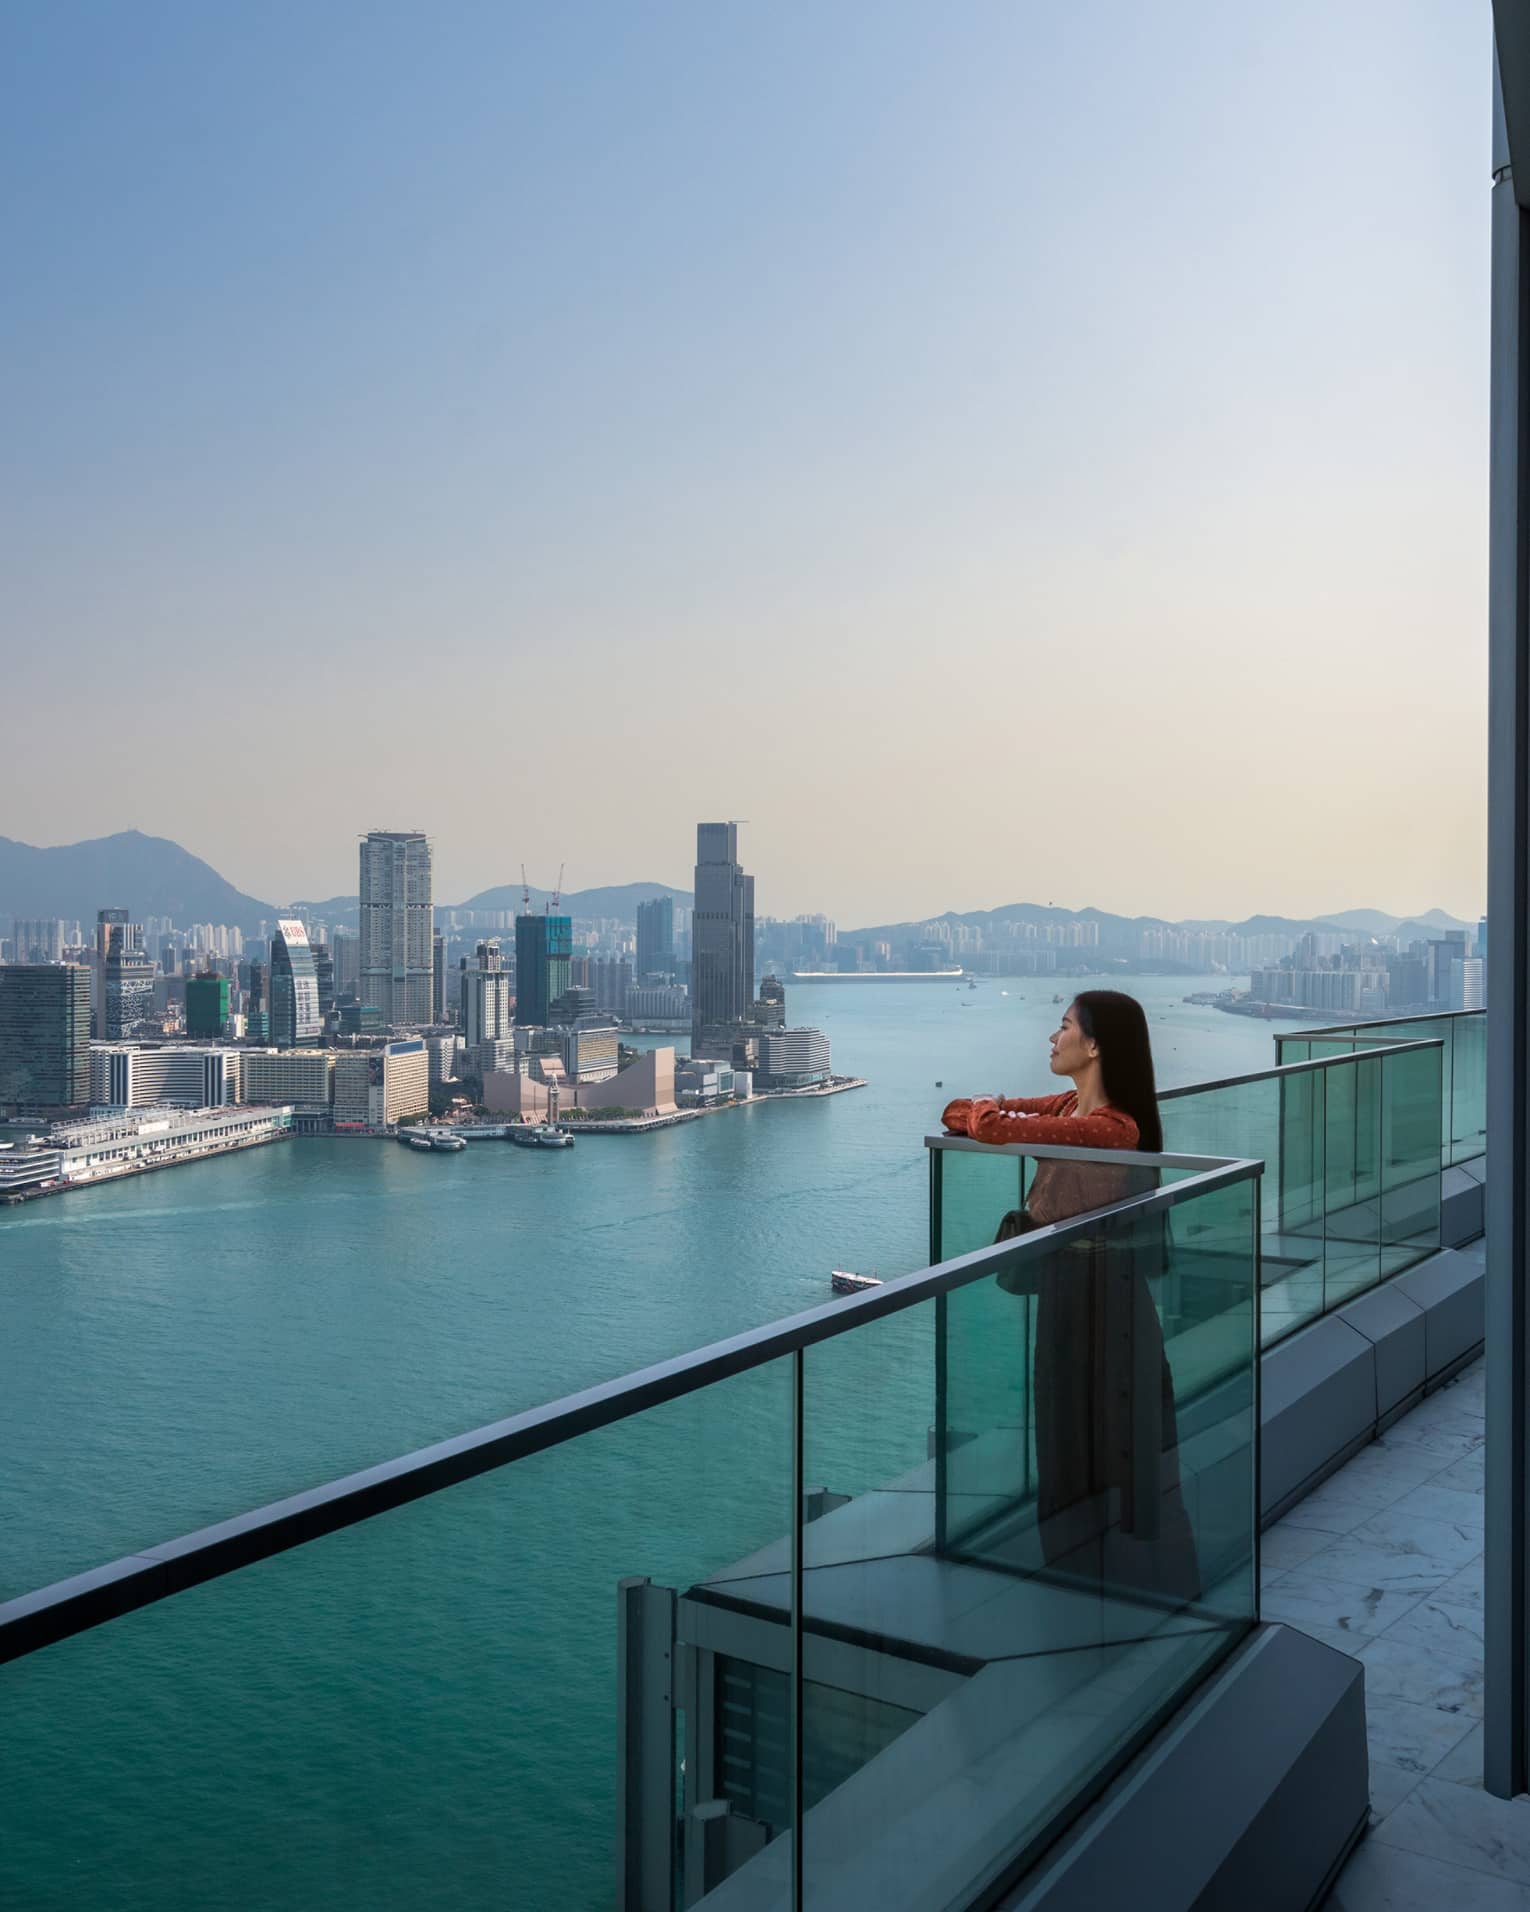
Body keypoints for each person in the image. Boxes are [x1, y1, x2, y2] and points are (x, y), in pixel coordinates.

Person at [941, 991, 1200, 1603]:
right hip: (1069, 1290)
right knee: (1066, 1428)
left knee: (1107, 1430)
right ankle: (1078, 1568)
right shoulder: (1069, 1106)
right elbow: (961, 1113)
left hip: (1105, 1299)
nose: (1051, 1039)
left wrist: (991, 1110)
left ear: (1095, 1045)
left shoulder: (1113, 1127)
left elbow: (992, 1124)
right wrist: (988, 1109)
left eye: (1062, 1028)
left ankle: (1124, 1575)